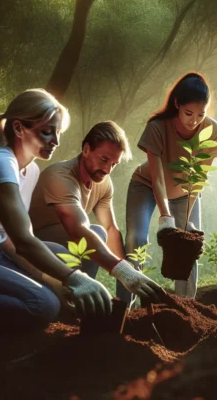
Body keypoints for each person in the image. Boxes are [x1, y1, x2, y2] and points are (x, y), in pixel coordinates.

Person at [0, 89, 111, 344]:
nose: (55, 140)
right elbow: (24, 240)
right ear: (19, 128)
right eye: (47, 131)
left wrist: (56, 283)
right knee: (42, 303)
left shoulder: (31, 170)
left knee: (60, 258)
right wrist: (72, 278)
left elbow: (10, 242)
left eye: (58, 132)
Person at [29, 121, 163, 304]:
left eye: (114, 164)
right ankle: (72, 299)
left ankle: (80, 302)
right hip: (32, 245)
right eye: (104, 159)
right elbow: (77, 230)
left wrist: (127, 282)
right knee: (91, 234)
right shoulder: (60, 176)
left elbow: (110, 229)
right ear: (86, 150)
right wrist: (122, 270)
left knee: (100, 232)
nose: (107, 170)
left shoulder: (104, 183)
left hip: (67, 242)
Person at [126, 73, 217, 299]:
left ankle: (187, 308)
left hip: (185, 192)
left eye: (200, 114)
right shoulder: (158, 127)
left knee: (188, 245)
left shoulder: (212, 131)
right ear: (177, 104)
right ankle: (127, 306)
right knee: (136, 240)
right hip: (146, 185)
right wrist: (166, 217)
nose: (194, 120)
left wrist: (187, 219)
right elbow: (157, 177)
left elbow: (198, 178)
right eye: (188, 113)